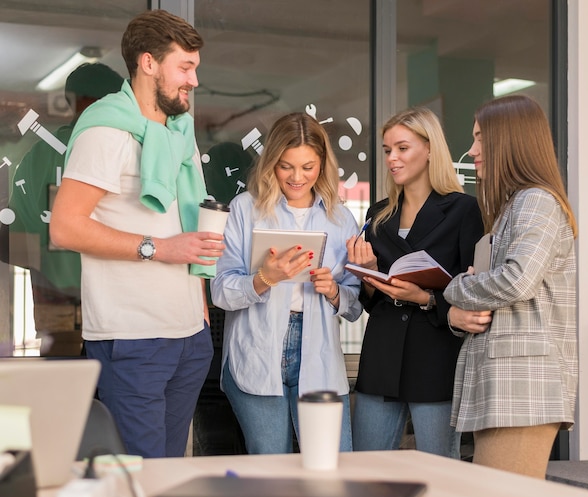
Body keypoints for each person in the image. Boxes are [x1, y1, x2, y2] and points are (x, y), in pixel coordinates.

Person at [49, 9, 222, 458]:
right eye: (185, 67)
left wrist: (199, 315)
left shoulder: (178, 132)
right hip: (133, 339)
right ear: (149, 63)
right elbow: (66, 228)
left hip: (188, 335)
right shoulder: (106, 131)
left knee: (166, 477)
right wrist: (159, 249)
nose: (194, 81)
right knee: (138, 484)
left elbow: (182, 225)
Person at [210, 112, 363, 454]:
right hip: (255, 350)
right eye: (286, 166)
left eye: (308, 167)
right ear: (270, 163)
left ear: (323, 165)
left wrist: (335, 291)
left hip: (319, 354)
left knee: (333, 465)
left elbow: (354, 306)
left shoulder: (341, 219)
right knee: (270, 469)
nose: (297, 177)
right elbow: (220, 291)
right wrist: (265, 279)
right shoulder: (245, 209)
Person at [443, 95, 578, 478]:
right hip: (508, 389)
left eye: (480, 138)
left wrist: (456, 288)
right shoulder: (515, 205)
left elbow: (517, 280)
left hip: (523, 391)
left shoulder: (536, 202)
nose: (471, 151)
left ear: (510, 141)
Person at [346, 106, 483, 458]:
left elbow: (473, 291)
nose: (392, 158)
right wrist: (370, 272)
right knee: (367, 472)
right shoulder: (378, 213)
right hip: (381, 358)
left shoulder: (464, 210)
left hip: (435, 361)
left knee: (440, 474)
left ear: (430, 149)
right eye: (388, 150)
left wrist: (424, 296)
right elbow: (371, 301)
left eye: (402, 148)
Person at [7, 63, 123, 356]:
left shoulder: (39, 156)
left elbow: (19, 236)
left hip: (53, 300)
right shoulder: (121, 147)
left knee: (63, 387)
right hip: (114, 300)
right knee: (113, 386)